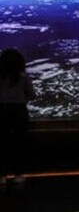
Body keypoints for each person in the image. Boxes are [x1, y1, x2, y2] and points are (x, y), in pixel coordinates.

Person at [0, 48, 36, 187]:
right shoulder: (23, 77)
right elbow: (32, 95)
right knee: (19, 143)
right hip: (19, 111)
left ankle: (2, 176)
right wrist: (21, 99)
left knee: (2, 143)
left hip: (1, 111)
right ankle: (18, 174)